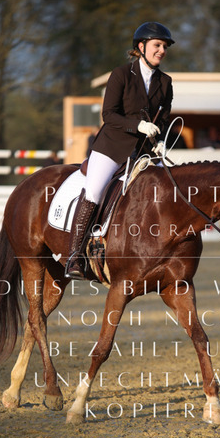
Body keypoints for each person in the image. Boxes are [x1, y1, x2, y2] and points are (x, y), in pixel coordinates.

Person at [66, 21, 174, 278]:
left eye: (164, 47)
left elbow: (163, 120)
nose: (162, 51)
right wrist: (138, 125)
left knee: (169, 191)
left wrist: (161, 140)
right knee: (94, 192)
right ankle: (75, 256)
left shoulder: (166, 82)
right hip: (112, 148)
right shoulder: (121, 74)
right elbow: (109, 114)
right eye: (157, 45)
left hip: (145, 153)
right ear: (141, 46)